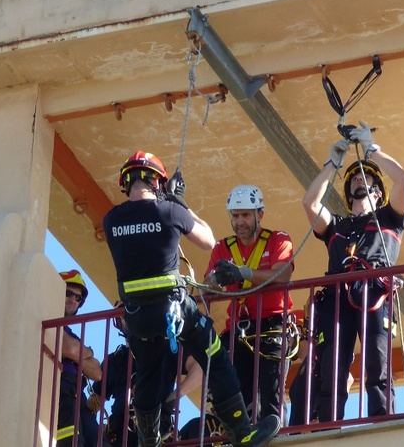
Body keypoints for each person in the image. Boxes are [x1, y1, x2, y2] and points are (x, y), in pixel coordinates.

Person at [103, 151, 281, 447]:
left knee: (147, 375)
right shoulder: (168, 211)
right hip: (174, 309)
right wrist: (177, 202)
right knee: (216, 358)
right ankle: (243, 431)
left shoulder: (111, 219)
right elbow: (209, 239)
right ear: (157, 182)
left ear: (126, 182)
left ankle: (149, 442)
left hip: (136, 317)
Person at [301, 122, 404, 421]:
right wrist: (331, 164)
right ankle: (328, 424)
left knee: (377, 361)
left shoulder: (390, 218)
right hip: (338, 298)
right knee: (331, 366)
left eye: (369, 180)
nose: (360, 184)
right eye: (354, 182)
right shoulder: (336, 226)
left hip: (375, 294)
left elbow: (402, 180)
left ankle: (381, 419)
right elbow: (310, 203)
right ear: (348, 194)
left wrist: (373, 151)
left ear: (379, 192)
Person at [204, 185, 296, 420]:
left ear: (260, 214)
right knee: (236, 397)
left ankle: (274, 434)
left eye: (246, 215)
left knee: (270, 392)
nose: (240, 222)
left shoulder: (278, 239)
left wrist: (243, 273)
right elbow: (207, 284)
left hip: (273, 324)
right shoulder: (222, 247)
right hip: (238, 329)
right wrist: (216, 279)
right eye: (235, 216)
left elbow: (282, 274)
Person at [90, 304, 203, 447]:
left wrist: (173, 398)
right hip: (118, 438)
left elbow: (199, 368)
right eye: (125, 314)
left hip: (158, 433)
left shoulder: (167, 351)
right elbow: (94, 401)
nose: (130, 319)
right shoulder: (115, 360)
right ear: (119, 321)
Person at [57, 269, 105, 447]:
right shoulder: (46, 319)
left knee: (99, 442)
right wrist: (86, 353)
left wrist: (81, 352)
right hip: (61, 390)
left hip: (78, 396)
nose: (73, 300)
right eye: (69, 293)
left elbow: (96, 372)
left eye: (78, 298)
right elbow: (69, 348)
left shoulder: (70, 334)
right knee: (73, 441)